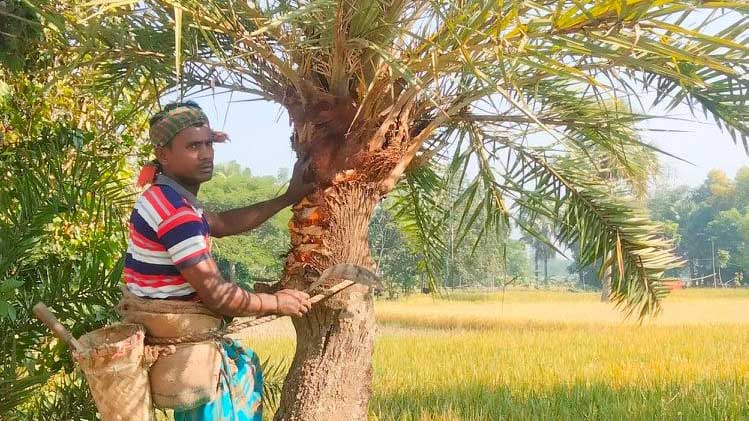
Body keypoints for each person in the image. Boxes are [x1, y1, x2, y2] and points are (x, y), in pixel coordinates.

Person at [125, 100, 313, 420]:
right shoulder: (176, 213)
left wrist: (287, 198)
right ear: (164, 155)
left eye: (209, 143)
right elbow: (218, 296)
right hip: (186, 344)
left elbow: (222, 224)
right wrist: (277, 302)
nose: (207, 154)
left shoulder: (164, 197)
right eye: (193, 146)